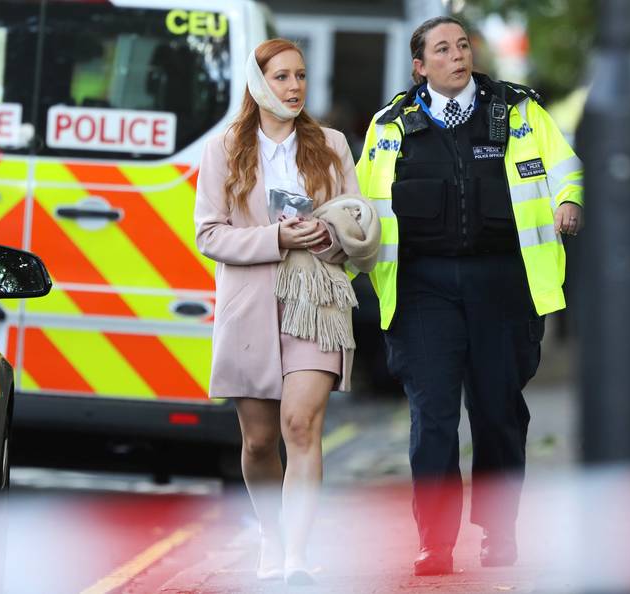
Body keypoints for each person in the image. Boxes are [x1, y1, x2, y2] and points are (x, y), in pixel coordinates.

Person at [356, 17, 584, 576]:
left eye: (463, 46)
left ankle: (499, 530)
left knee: (498, 412)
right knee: (431, 417)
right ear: (420, 66)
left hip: (502, 283)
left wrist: (569, 201)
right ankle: (435, 540)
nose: (457, 55)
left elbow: (566, 168)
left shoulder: (520, 112)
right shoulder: (389, 126)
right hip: (422, 289)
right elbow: (359, 205)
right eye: (443, 48)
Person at [194, 38, 377, 586]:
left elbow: (361, 227)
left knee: (301, 424)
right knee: (259, 441)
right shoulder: (225, 148)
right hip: (250, 305)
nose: (294, 87)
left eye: (300, 76)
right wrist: (276, 236)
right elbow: (209, 235)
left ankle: (296, 554)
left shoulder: (332, 145)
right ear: (258, 82)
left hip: (317, 302)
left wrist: (331, 239)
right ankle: (271, 541)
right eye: (281, 77)